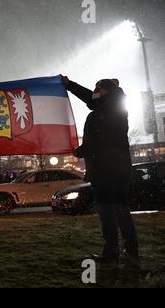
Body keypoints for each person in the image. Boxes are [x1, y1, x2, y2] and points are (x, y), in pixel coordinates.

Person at [62, 76, 139, 265]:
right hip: (119, 169)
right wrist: (71, 85)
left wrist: (80, 151)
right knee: (121, 210)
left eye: (98, 88)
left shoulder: (104, 112)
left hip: (105, 170)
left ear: (106, 91)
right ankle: (131, 250)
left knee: (107, 211)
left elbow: (98, 141)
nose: (95, 91)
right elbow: (91, 99)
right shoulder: (114, 107)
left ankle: (111, 253)